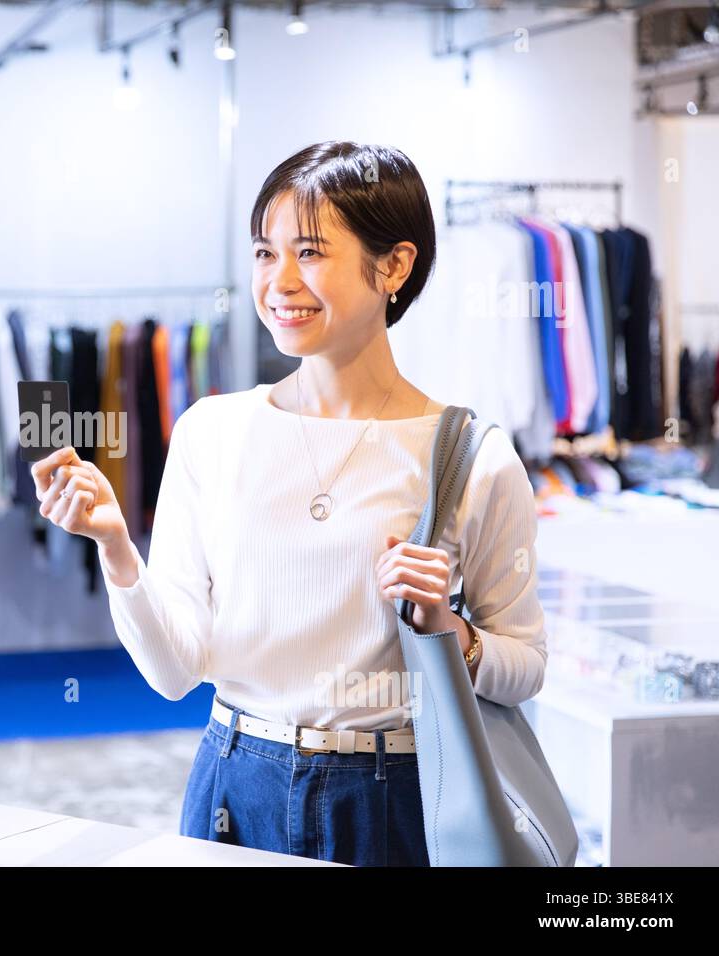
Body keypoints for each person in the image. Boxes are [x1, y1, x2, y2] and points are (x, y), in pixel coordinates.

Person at [31, 141, 547, 866]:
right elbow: (176, 672)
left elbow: (525, 662)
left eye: (309, 252)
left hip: (390, 795)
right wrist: (117, 547)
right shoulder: (211, 430)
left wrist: (449, 630)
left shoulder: (471, 455)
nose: (279, 282)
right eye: (264, 254)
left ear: (394, 265)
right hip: (232, 784)